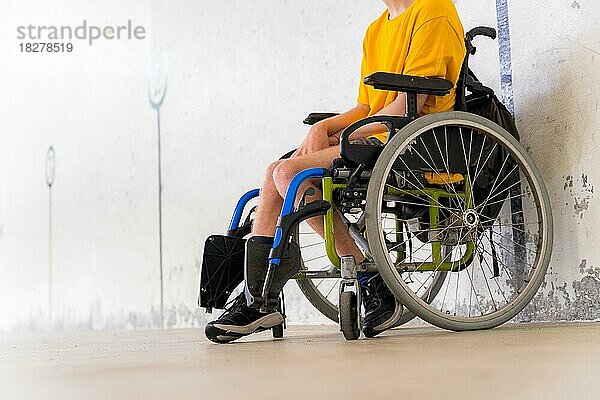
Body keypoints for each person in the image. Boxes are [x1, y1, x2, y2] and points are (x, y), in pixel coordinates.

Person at [205, 0, 466, 343]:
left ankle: (367, 278)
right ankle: (259, 297)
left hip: (414, 138)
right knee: (275, 171)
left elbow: (408, 102)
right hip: (380, 133)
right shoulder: (377, 29)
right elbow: (365, 107)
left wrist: (341, 136)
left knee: (287, 174)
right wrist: (324, 128)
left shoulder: (434, 9)